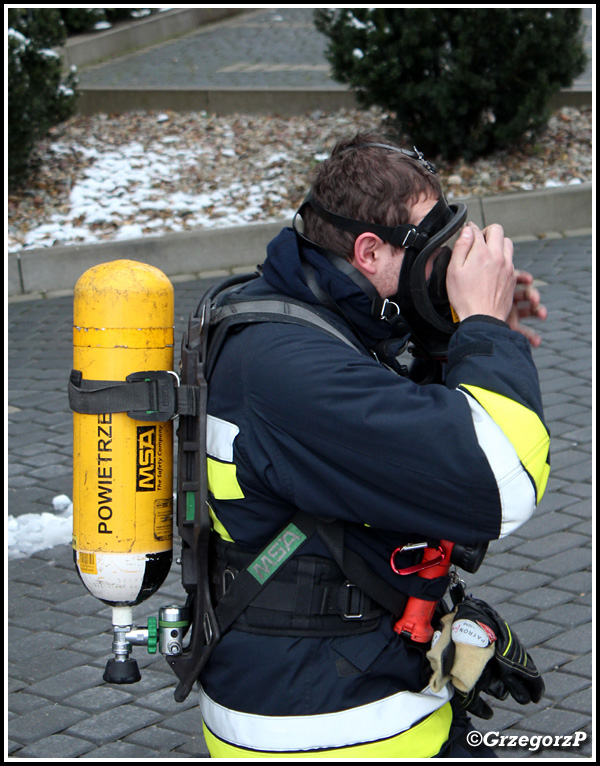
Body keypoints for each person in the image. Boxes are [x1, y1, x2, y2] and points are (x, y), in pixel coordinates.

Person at [195, 133, 550, 757]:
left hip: (345, 679)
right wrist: (488, 335)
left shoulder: (301, 314)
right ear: (367, 251)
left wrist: (454, 333)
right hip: (337, 726)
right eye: (430, 255)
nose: (440, 271)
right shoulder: (290, 370)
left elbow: (392, 431)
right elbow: (501, 480)